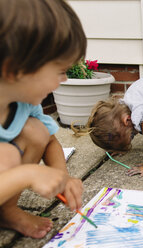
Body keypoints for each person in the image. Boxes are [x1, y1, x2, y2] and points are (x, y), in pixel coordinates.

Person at [0, 0, 86, 238]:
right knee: (5, 156)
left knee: (37, 131)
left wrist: (62, 177)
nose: (65, 79)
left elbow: (48, 141)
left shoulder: (25, 102)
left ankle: (6, 211)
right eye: (60, 71)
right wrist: (27, 174)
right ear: (15, 70)